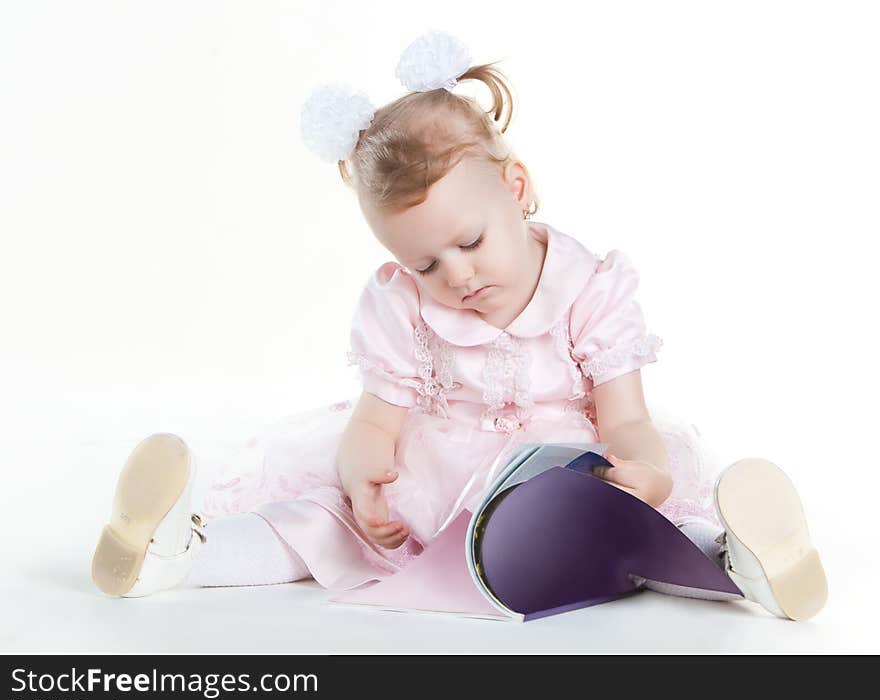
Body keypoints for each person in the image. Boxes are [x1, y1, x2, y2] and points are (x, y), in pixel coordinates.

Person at [91, 31, 827, 621]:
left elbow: (627, 418)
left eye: (469, 243)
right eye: (424, 263)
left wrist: (648, 472)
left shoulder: (589, 287)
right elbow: (377, 422)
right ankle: (177, 551)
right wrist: (364, 477)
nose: (456, 277)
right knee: (318, 526)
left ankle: (746, 562)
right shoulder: (401, 304)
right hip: (431, 486)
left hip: (560, 487)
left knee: (642, 541)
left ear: (516, 187)